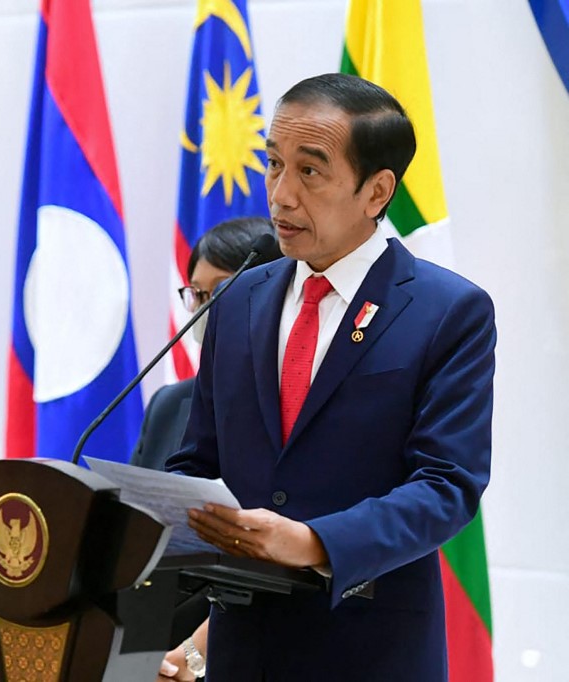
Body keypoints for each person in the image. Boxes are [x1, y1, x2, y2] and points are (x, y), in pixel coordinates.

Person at [159, 73, 496, 681]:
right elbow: (198, 461)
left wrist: (313, 542)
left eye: (309, 171)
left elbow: (447, 486)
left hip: (370, 649)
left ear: (376, 191)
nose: (281, 195)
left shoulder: (447, 311)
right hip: (241, 649)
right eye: (273, 164)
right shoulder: (238, 299)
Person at [131, 216, 282, 473]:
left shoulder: (291, 401)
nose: (204, 308)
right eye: (197, 293)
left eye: (220, 289)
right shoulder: (167, 404)